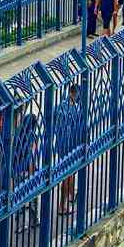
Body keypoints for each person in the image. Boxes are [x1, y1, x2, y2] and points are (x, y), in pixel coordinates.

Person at [54, 84, 83, 214]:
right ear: (71, 93)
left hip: (66, 146)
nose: (78, 97)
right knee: (68, 176)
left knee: (71, 174)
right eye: (77, 94)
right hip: (68, 147)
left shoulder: (65, 107)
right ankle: (62, 206)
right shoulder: (67, 109)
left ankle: (71, 196)